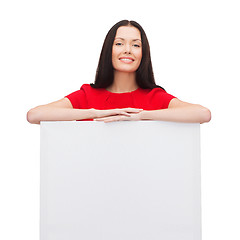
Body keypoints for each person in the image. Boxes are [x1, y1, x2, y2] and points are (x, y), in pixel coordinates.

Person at [27, 20, 211, 124]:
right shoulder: (87, 96)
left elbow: (202, 114)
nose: (128, 50)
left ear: (143, 54)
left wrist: (143, 115)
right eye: (119, 43)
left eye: (136, 45)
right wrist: (95, 114)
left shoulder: (154, 98)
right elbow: (35, 115)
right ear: (109, 50)